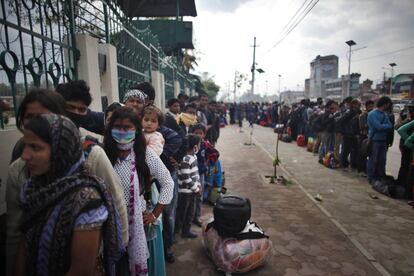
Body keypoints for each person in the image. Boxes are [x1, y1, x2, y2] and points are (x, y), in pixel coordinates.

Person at [6, 90, 129, 276]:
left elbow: (117, 200)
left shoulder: (89, 179)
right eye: (29, 118)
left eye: (44, 117)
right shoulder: (23, 175)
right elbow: (18, 234)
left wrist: (116, 253)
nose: (37, 124)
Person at [104, 107, 173, 276]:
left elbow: (168, 183)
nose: (122, 131)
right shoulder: (104, 154)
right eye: (118, 127)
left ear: (136, 130)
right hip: (109, 226)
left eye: (127, 127)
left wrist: (154, 214)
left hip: (136, 227)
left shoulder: (144, 154)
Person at [175, 134, 202, 239]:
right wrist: (196, 188)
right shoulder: (186, 159)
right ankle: (176, 232)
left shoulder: (193, 157)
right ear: (195, 147)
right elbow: (186, 178)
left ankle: (186, 231)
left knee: (190, 213)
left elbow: (195, 175)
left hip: (192, 191)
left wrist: (198, 186)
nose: (199, 147)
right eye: (199, 145)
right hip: (185, 193)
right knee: (182, 213)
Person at [367, 96, 393, 183]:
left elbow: (390, 126)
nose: (388, 107)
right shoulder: (372, 114)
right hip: (374, 140)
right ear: (384, 104)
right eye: (388, 105)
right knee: (373, 160)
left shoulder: (385, 114)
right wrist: (385, 126)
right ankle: (371, 177)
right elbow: (378, 127)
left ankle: (380, 177)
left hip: (383, 141)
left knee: (382, 161)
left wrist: (383, 127)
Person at [337, 99, 361, 170]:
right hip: (348, 134)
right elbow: (340, 121)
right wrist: (342, 132)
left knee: (355, 150)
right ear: (353, 104)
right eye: (358, 104)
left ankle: (352, 164)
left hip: (354, 135)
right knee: (346, 151)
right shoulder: (349, 112)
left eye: (359, 105)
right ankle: (343, 165)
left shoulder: (357, 113)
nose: (359, 106)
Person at [357, 100, 374, 175]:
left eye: (372, 106)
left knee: (368, 153)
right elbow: (361, 127)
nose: (371, 108)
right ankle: (361, 170)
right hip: (363, 136)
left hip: (370, 136)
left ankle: (366, 169)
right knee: (362, 154)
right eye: (370, 106)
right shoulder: (363, 115)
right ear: (366, 107)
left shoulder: (372, 114)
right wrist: (369, 123)